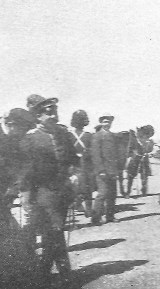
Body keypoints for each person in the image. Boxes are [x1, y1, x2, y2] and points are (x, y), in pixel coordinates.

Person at [18, 94, 79, 285]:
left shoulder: (63, 134)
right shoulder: (30, 139)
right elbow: (26, 172)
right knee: (55, 232)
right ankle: (64, 276)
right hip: (43, 194)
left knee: (52, 235)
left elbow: (74, 160)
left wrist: (75, 175)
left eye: (54, 111)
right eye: (48, 112)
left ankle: (42, 275)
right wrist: (26, 197)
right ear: (37, 116)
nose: (53, 115)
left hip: (63, 192)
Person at [91, 112, 119, 225]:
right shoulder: (97, 136)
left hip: (112, 170)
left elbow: (115, 154)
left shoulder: (113, 136)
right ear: (101, 123)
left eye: (109, 122)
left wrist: (117, 169)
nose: (107, 124)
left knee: (112, 194)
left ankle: (110, 216)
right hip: (102, 170)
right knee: (102, 194)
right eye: (105, 122)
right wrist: (101, 170)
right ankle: (96, 218)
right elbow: (96, 155)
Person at [68, 110, 94, 218]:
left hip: (72, 165)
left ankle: (75, 205)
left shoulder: (69, 135)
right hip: (85, 165)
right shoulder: (89, 135)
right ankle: (88, 210)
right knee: (87, 188)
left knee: (73, 187)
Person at [126, 125, 155, 197]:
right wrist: (133, 154)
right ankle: (128, 191)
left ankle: (144, 191)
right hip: (135, 159)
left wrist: (148, 153)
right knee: (131, 176)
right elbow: (130, 149)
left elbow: (150, 150)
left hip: (144, 159)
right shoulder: (135, 140)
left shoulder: (150, 141)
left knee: (144, 176)